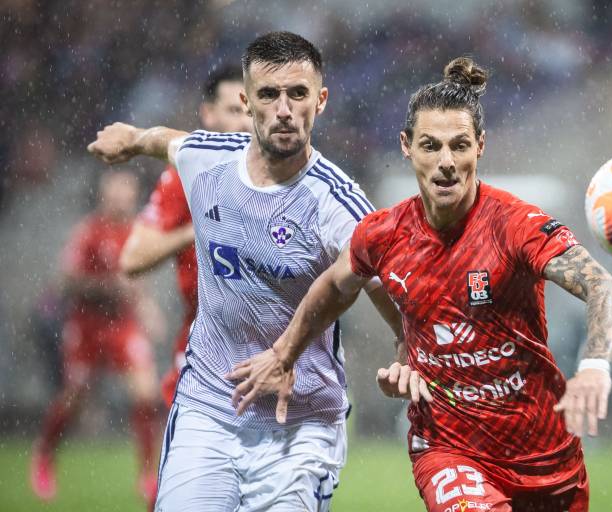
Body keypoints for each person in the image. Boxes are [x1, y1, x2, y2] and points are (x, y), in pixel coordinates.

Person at [231, 58, 612, 511]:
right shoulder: (383, 235)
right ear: (407, 147)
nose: (445, 163)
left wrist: (595, 365)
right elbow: (337, 286)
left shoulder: (515, 226)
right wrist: (284, 354)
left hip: (545, 456)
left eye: (459, 146)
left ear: (480, 146)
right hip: (446, 449)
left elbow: (604, 290)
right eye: (430, 146)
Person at [87, 31, 400, 511]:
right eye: (268, 94)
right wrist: (130, 139)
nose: (284, 109)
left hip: (299, 425)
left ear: (321, 101)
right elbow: (166, 141)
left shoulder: (338, 202)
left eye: (298, 94)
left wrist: (409, 347)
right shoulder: (208, 160)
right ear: (246, 103)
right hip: (207, 410)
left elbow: (390, 288)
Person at [119, 65, 252, 409]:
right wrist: (199, 226)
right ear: (208, 114)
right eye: (234, 110)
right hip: (205, 343)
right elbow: (132, 258)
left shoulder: (287, 175)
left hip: (274, 347)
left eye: (251, 111)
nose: (245, 123)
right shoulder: (186, 176)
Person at [30, 171, 160, 503]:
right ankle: (44, 454)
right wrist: (107, 288)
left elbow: (137, 282)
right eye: (115, 192)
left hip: (122, 325)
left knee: (145, 394)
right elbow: (67, 281)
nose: (121, 199)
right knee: (75, 398)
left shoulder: (136, 232)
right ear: (104, 195)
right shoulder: (89, 231)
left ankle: (148, 474)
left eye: (126, 193)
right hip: (87, 325)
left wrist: (146, 307)